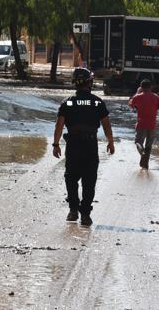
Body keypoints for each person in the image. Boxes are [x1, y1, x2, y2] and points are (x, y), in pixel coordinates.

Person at [52, 68, 115, 226]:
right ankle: (85, 214)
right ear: (89, 82)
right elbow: (106, 125)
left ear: (75, 83)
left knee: (71, 177)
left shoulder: (68, 102)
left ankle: (73, 210)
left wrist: (56, 144)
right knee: (89, 179)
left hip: (73, 145)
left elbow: (59, 125)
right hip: (90, 145)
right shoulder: (96, 102)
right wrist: (110, 141)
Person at [128, 79, 159, 169]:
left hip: (141, 124)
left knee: (138, 142)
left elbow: (130, 105)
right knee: (149, 146)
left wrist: (136, 92)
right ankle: (145, 165)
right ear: (151, 87)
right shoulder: (156, 97)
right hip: (152, 125)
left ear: (141, 87)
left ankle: (142, 154)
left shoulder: (138, 96)